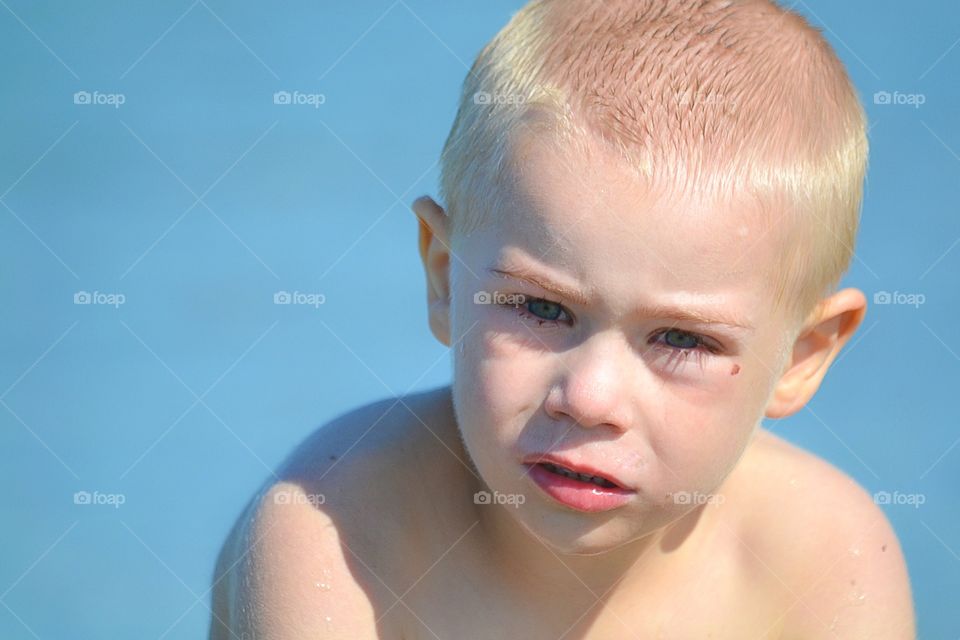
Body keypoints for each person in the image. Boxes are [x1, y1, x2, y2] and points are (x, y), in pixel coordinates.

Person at [210, 1, 915, 637]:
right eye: (542, 307)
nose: (590, 397)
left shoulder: (829, 558)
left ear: (801, 356)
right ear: (445, 276)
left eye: (680, 339)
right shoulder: (338, 530)